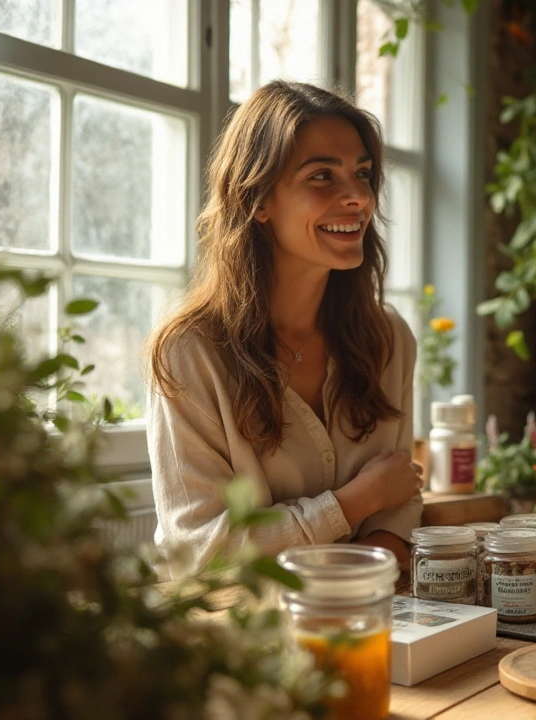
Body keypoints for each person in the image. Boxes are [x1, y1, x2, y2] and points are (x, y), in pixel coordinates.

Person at [145, 81, 423, 579]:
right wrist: (350, 504)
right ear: (258, 200)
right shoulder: (188, 352)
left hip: (362, 621)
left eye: (363, 174)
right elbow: (200, 552)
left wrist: (347, 585)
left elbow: (396, 505)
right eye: (322, 176)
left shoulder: (389, 339)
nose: (358, 197)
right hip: (226, 638)